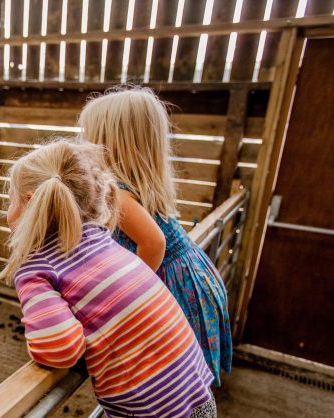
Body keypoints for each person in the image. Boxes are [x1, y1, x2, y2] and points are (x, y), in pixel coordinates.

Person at [0, 140, 216, 418]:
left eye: (10, 200)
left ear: (30, 202)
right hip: (193, 404)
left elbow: (59, 348)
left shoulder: (38, 269)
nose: (7, 210)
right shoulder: (102, 240)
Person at [78, 86, 233, 386]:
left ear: (112, 143)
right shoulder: (138, 184)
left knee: (172, 374)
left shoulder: (119, 196)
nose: (84, 145)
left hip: (174, 285)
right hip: (190, 273)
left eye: (90, 135)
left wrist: (126, 296)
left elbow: (153, 242)